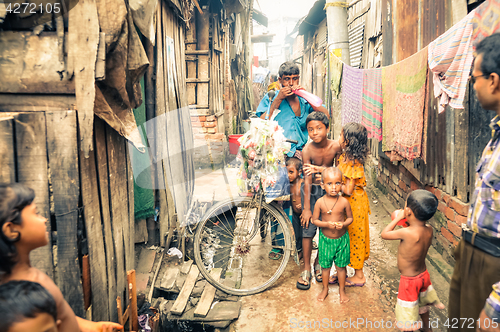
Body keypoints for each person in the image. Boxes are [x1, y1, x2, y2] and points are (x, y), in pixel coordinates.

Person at [0, 183, 123, 332]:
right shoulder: (21, 297)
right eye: (36, 213)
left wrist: (94, 327)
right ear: (11, 229)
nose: (44, 219)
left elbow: (62, 315)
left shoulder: (31, 276)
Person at [449, 33, 500, 332]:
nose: (472, 84)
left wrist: (495, 307)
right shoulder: (494, 137)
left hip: (492, 269)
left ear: (493, 80)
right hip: (472, 255)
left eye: (474, 77)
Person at [381, 190, 445, 331]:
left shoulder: (406, 232)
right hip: (423, 276)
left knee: (406, 312)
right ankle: (427, 328)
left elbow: (384, 234)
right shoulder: (429, 230)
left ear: (408, 211)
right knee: (423, 305)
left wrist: (398, 218)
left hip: (409, 281)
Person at [296, 112, 342, 289]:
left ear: (327, 128)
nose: (314, 133)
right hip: (312, 191)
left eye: (318, 128)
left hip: (330, 193)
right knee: (307, 228)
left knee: (326, 230)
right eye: (310, 130)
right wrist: (307, 208)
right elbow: (307, 180)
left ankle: (318, 263)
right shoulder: (307, 150)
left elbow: (339, 172)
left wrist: (318, 169)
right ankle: (306, 268)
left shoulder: (336, 147)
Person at [256, 61, 330, 160]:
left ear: (298, 79)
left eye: (295, 79)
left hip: (302, 155)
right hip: (277, 154)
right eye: (287, 79)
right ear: (280, 80)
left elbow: (326, 115)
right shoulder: (271, 97)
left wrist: (306, 95)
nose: (291, 83)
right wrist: (278, 100)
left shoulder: (304, 100)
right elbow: (260, 124)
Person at [336, 122, 370, 287]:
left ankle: (359, 275)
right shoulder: (344, 158)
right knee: (346, 236)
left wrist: (334, 186)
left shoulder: (354, 162)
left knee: (355, 237)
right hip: (349, 203)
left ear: (348, 141)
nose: (339, 138)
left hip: (355, 203)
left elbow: (348, 189)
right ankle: (346, 270)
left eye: (341, 135)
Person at [311, 167, 352, 303]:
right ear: (322, 185)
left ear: (342, 184)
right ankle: (325, 289)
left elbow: (350, 219)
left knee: (341, 267)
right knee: (325, 266)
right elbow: (314, 220)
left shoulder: (344, 202)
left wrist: (344, 224)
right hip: (326, 240)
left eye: (337, 183)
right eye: (329, 184)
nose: (334, 187)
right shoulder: (320, 202)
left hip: (342, 240)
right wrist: (326, 225)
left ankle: (342, 291)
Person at [286, 157, 304, 259]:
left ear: (299, 172)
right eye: (287, 172)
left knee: (303, 234)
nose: (288, 175)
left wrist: (303, 204)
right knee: (296, 234)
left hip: (303, 214)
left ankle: (304, 252)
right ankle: (298, 250)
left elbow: (309, 198)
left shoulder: (303, 184)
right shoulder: (289, 184)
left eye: (291, 172)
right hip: (295, 214)